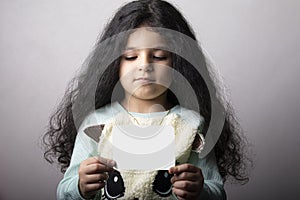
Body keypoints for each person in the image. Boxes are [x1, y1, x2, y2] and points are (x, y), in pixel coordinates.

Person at [43, 0, 251, 199]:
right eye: (131, 57)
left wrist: (200, 190)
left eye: (159, 56)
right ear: (113, 63)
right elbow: (64, 192)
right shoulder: (96, 124)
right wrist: (80, 186)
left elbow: (216, 191)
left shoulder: (191, 125)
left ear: (177, 62)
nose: (144, 65)